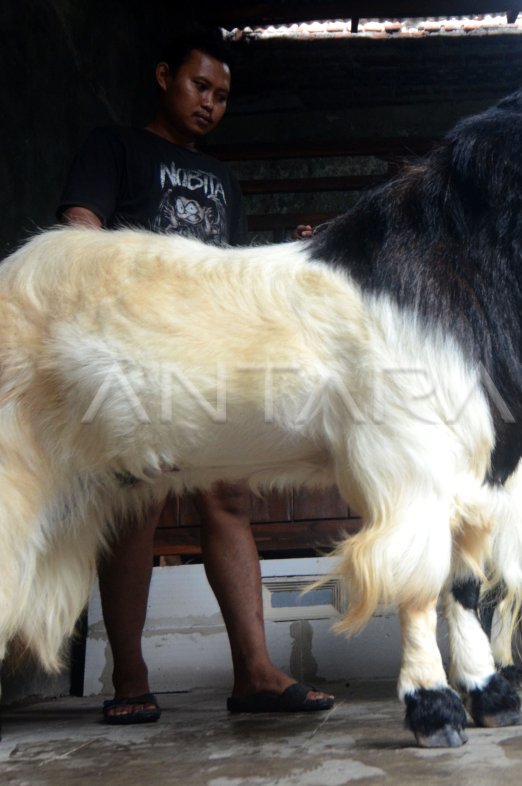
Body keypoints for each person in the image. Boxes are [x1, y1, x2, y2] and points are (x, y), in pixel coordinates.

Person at [58, 27, 334, 722]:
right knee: (139, 502)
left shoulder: (222, 180)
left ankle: (256, 674)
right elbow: (77, 232)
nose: (211, 103)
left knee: (229, 499)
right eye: (199, 86)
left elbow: (232, 274)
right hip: (138, 352)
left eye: (221, 95)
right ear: (163, 76)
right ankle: (130, 677)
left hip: (212, 356)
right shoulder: (113, 146)